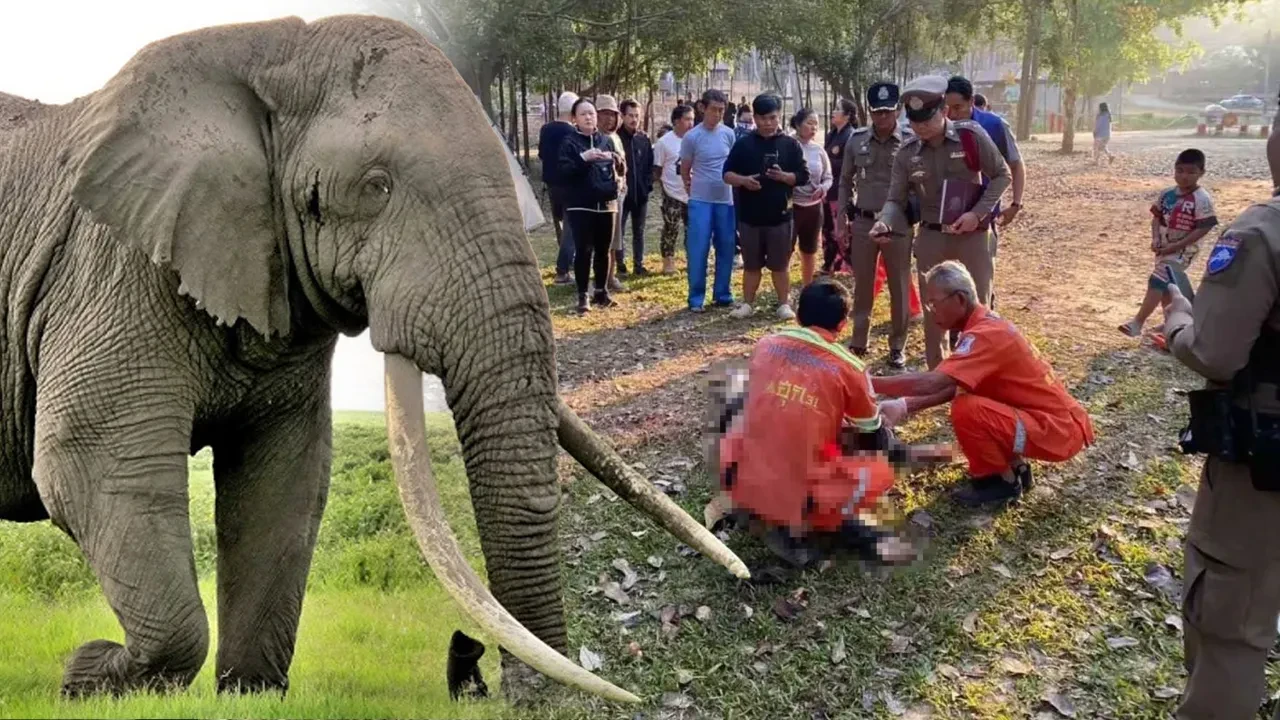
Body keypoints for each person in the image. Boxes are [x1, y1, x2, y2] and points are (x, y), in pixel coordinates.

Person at [1161, 99, 1280, 720]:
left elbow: (1215, 353)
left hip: (1263, 472)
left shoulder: (1263, 233)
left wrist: (1179, 315)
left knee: (1229, 621)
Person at [712, 280, 922, 567]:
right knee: (879, 467)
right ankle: (812, 524)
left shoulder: (765, 345)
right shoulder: (849, 368)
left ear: (798, 316)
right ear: (843, 324)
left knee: (754, 424)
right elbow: (872, 435)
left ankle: (760, 508)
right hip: (799, 497)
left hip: (740, 482)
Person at [875, 262, 1095, 506]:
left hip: (1057, 431)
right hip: (1055, 424)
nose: (931, 310)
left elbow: (933, 382)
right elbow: (955, 385)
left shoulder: (985, 335)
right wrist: (903, 406)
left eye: (934, 303)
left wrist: (869, 383)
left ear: (959, 299)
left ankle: (997, 482)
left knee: (967, 409)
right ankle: (1015, 468)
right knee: (971, 399)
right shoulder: (984, 326)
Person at [872, 75, 1011, 370]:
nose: (920, 126)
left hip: (972, 235)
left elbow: (1002, 174)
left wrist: (978, 213)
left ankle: (975, 369)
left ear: (944, 111)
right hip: (932, 236)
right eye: (915, 120)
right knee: (933, 305)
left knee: (976, 304)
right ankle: (937, 370)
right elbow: (895, 199)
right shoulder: (908, 153)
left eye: (927, 118)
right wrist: (885, 222)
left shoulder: (970, 136)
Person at [839, 82, 916, 369]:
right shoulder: (856, 140)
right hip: (864, 221)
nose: (882, 117)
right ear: (869, 111)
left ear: (897, 110)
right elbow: (845, 180)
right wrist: (840, 218)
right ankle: (859, 340)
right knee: (863, 284)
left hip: (898, 225)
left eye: (887, 111)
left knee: (899, 284)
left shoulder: (910, 139)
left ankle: (898, 345)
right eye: (876, 112)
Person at [723, 94, 810, 320]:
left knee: (780, 265)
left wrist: (785, 177)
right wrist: (743, 181)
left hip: (780, 216)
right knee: (751, 264)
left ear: (779, 116)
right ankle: (747, 304)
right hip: (750, 216)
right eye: (762, 118)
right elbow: (727, 174)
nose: (767, 123)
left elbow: (803, 176)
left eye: (772, 118)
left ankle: (783, 304)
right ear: (755, 118)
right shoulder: (743, 144)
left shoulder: (790, 144)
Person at [945, 75, 1026, 316]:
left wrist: (1015, 204)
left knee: (980, 277)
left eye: (958, 107)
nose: (953, 114)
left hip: (982, 217)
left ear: (972, 102)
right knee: (952, 278)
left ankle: (983, 320)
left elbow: (1015, 165)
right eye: (947, 108)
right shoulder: (941, 128)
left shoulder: (994, 126)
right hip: (948, 216)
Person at [1118, 149, 1217, 339]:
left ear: (1201, 173)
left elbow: (1204, 227)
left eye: (1190, 172)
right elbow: (1157, 218)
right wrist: (1155, 238)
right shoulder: (1167, 194)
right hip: (1164, 247)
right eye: (1180, 170)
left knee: (1157, 279)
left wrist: (1177, 245)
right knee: (1167, 286)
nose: (1184, 176)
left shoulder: (1201, 198)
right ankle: (1172, 324)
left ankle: (1137, 322)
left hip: (1183, 251)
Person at [557, 98, 626, 313]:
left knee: (604, 250)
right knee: (584, 250)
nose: (589, 117)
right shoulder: (569, 142)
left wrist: (615, 159)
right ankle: (582, 295)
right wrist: (582, 158)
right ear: (574, 118)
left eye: (592, 114)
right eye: (583, 114)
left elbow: (622, 170)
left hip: (606, 202)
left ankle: (601, 291)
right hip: (580, 204)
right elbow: (563, 171)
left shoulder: (606, 140)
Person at [680, 89, 739, 313]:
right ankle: (696, 298)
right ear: (702, 108)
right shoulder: (692, 137)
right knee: (698, 248)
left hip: (725, 200)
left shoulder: (728, 134)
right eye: (713, 109)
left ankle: (722, 293)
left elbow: (733, 164)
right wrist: (689, 185)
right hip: (700, 201)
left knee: (726, 247)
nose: (717, 115)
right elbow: (685, 169)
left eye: (721, 111)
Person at [540, 91, 579, 285]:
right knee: (571, 227)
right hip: (570, 185)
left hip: (552, 184)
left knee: (561, 224)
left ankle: (567, 260)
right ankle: (562, 271)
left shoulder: (545, 129)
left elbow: (541, 154)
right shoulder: (573, 133)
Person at [791, 107, 832, 288]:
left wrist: (823, 188)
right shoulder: (788, 145)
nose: (814, 127)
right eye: (809, 123)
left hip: (814, 207)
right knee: (785, 250)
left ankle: (808, 287)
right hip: (791, 206)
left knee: (809, 250)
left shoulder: (819, 150)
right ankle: (783, 292)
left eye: (816, 124)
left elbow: (828, 177)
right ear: (798, 125)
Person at [654, 105, 694, 276]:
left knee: (693, 228)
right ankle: (668, 260)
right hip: (672, 192)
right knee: (671, 227)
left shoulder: (695, 139)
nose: (691, 123)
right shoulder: (664, 142)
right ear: (677, 121)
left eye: (692, 119)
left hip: (693, 193)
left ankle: (693, 259)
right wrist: (663, 188)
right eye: (687, 119)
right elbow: (658, 168)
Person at [617, 99, 654, 276]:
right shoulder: (615, 139)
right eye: (630, 115)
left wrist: (647, 187)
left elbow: (649, 165)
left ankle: (639, 264)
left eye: (637, 116)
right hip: (622, 194)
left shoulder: (644, 139)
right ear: (622, 116)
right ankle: (620, 264)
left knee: (639, 231)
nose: (634, 119)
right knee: (619, 231)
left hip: (641, 194)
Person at [596, 94, 629, 294]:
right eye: (605, 114)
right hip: (600, 194)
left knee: (615, 238)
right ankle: (600, 279)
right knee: (601, 240)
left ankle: (611, 276)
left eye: (612, 114)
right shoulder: (594, 138)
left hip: (618, 193)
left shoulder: (615, 137)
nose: (609, 119)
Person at [822, 99, 859, 275]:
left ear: (848, 115)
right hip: (827, 189)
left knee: (841, 229)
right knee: (827, 228)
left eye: (837, 109)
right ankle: (830, 262)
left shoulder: (851, 136)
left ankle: (849, 264)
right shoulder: (831, 135)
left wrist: (826, 163)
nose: (833, 112)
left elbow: (848, 165)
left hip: (841, 190)